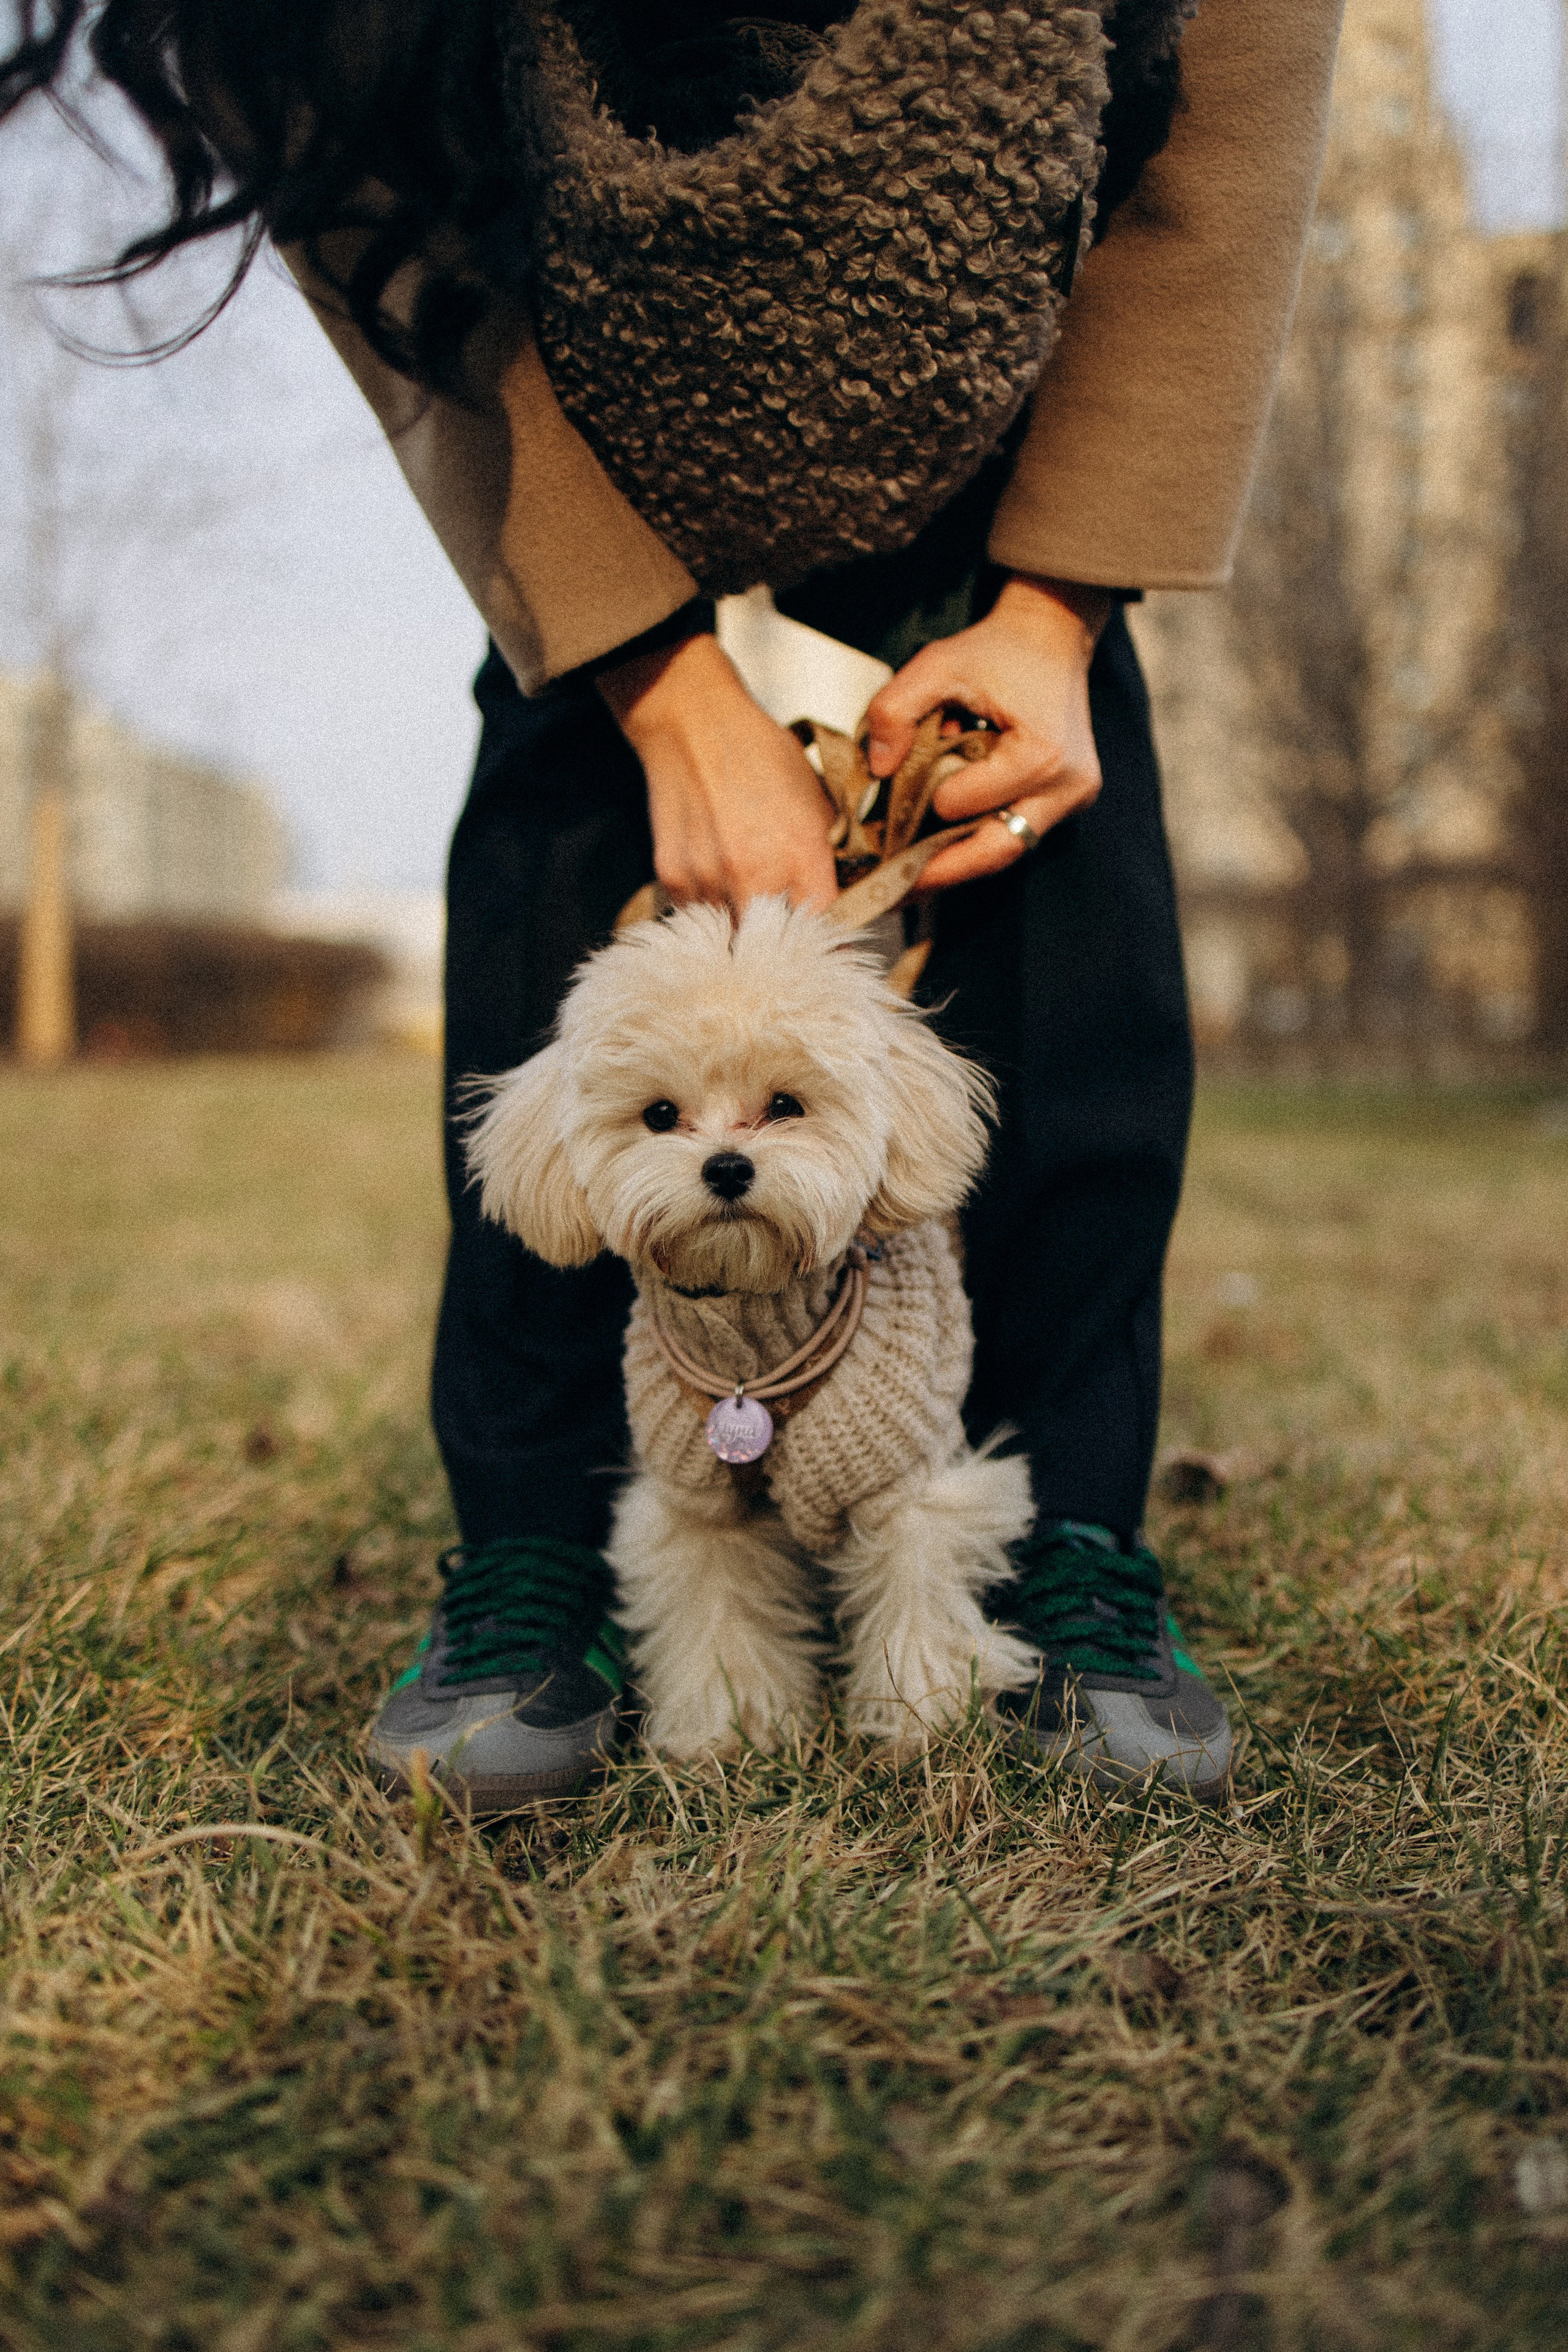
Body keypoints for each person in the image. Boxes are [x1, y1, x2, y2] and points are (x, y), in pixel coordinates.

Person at [2, 0, 1344, 1806]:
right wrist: (644, 671)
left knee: (1072, 934)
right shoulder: (348, 46)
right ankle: (535, 1548)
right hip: (576, 369)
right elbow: (372, 188)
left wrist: (1056, 613)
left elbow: (1238, 87)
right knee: (564, 867)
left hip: (1024, 365)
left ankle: (1070, 1531)